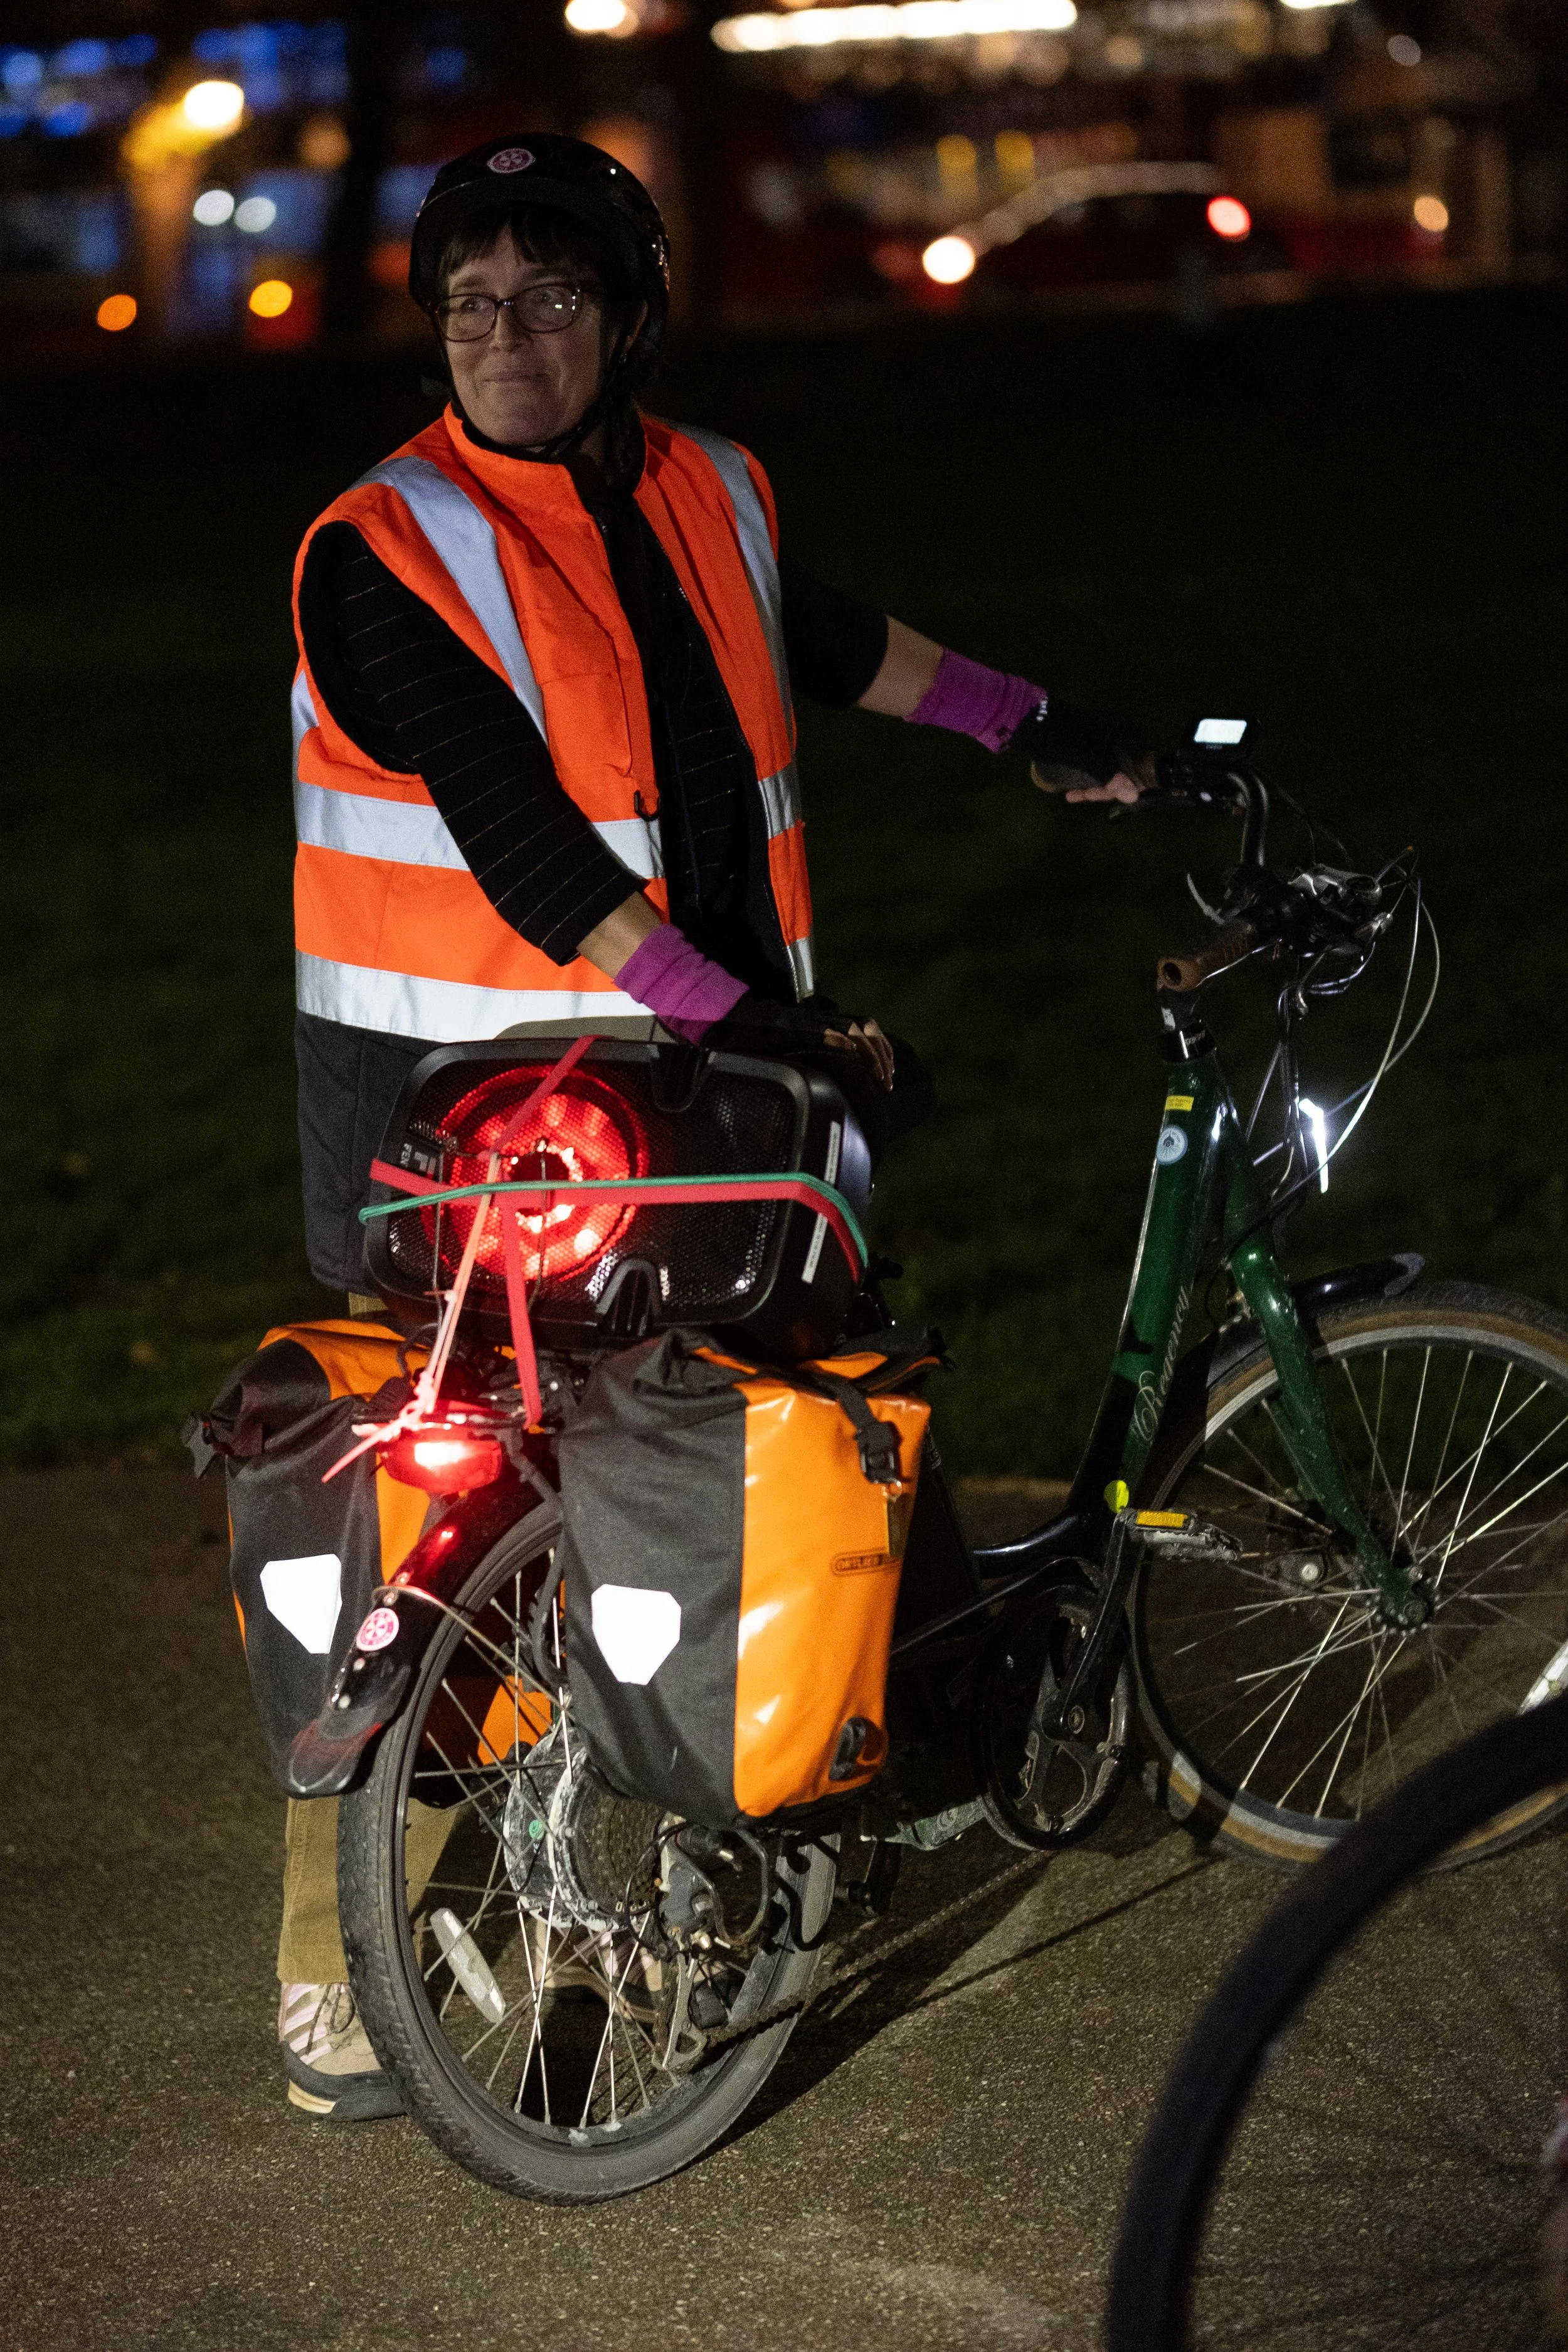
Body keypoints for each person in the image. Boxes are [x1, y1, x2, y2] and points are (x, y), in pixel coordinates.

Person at [277, 131, 1152, 2121]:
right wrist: (767, 1026)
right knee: (442, 1500)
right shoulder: (377, 544)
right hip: (460, 1113)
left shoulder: (710, 486)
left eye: (554, 297)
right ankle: (336, 1952)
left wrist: (1032, 725)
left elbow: (820, 637)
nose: (507, 339)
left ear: (630, 316)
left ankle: (834, 1761)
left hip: (684, 1088)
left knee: (762, 1407)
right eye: (472, 304)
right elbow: (513, 831)